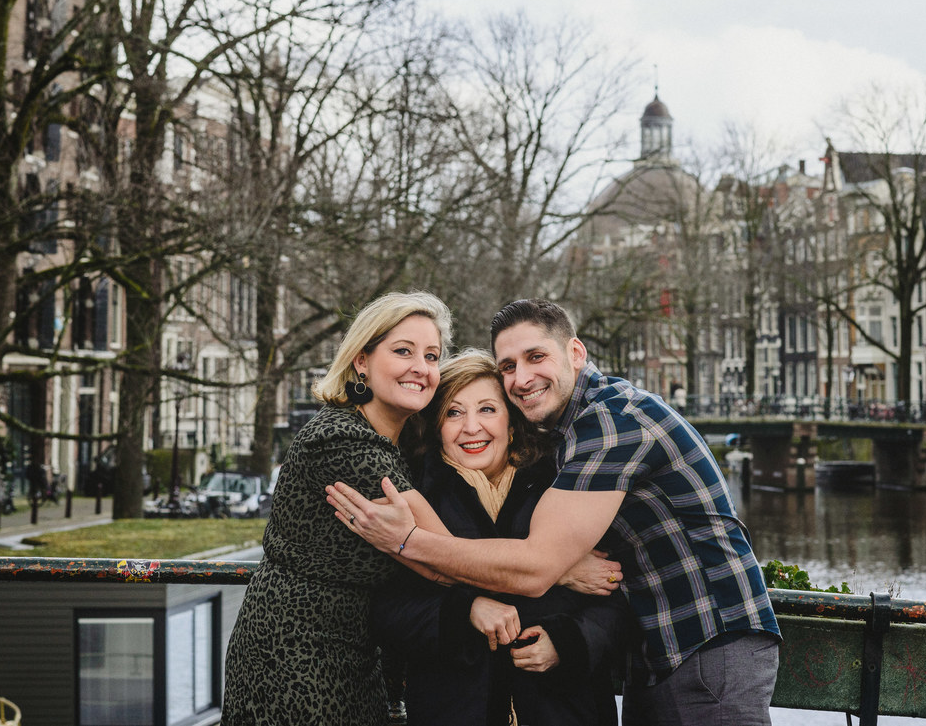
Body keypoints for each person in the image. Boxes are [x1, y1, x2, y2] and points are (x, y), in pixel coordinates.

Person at [328, 299, 781, 726]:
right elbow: (397, 604)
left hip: (706, 641)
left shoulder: (608, 424)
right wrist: (478, 604)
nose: (522, 378)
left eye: (535, 357)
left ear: (576, 352)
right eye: (508, 366)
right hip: (658, 651)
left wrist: (407, 541)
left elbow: (538, 568)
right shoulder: (557, 448)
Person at [221, 291, 456, 726]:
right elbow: (445, 559)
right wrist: (555, 569)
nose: (421, 368)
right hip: (297, 659)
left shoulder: (395, 441)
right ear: (361, 360)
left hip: (352, 654)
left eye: (431, 356)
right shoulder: (342, 442)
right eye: (403, 351)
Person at [372, 349, 634, 726]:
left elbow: (616, 590)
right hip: (455, 707)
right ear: (436, 426)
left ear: (512, 423)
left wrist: (568, 643)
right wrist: (467, 611)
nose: (472, 427)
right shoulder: (414, 497)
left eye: (487, 410)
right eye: (454, 412)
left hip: (564, 709)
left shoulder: (565, 488)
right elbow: (387, 607)